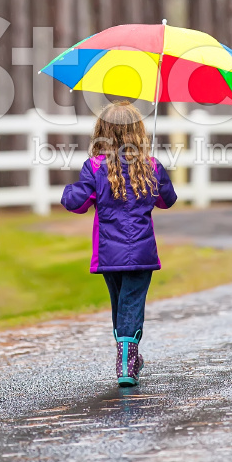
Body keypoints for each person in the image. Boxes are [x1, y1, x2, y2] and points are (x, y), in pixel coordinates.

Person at [61, 100, 177, 387]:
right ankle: (127, 360)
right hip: (141, 251)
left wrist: (68, 191)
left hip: (108, 253)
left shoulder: (95, 167)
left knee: (120, 305)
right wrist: (159, 176)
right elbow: (167, 201)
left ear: (102, 132)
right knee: (131, 305)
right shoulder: (149, 167)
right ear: (139, 133)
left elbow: (77, 203)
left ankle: (127, 357)